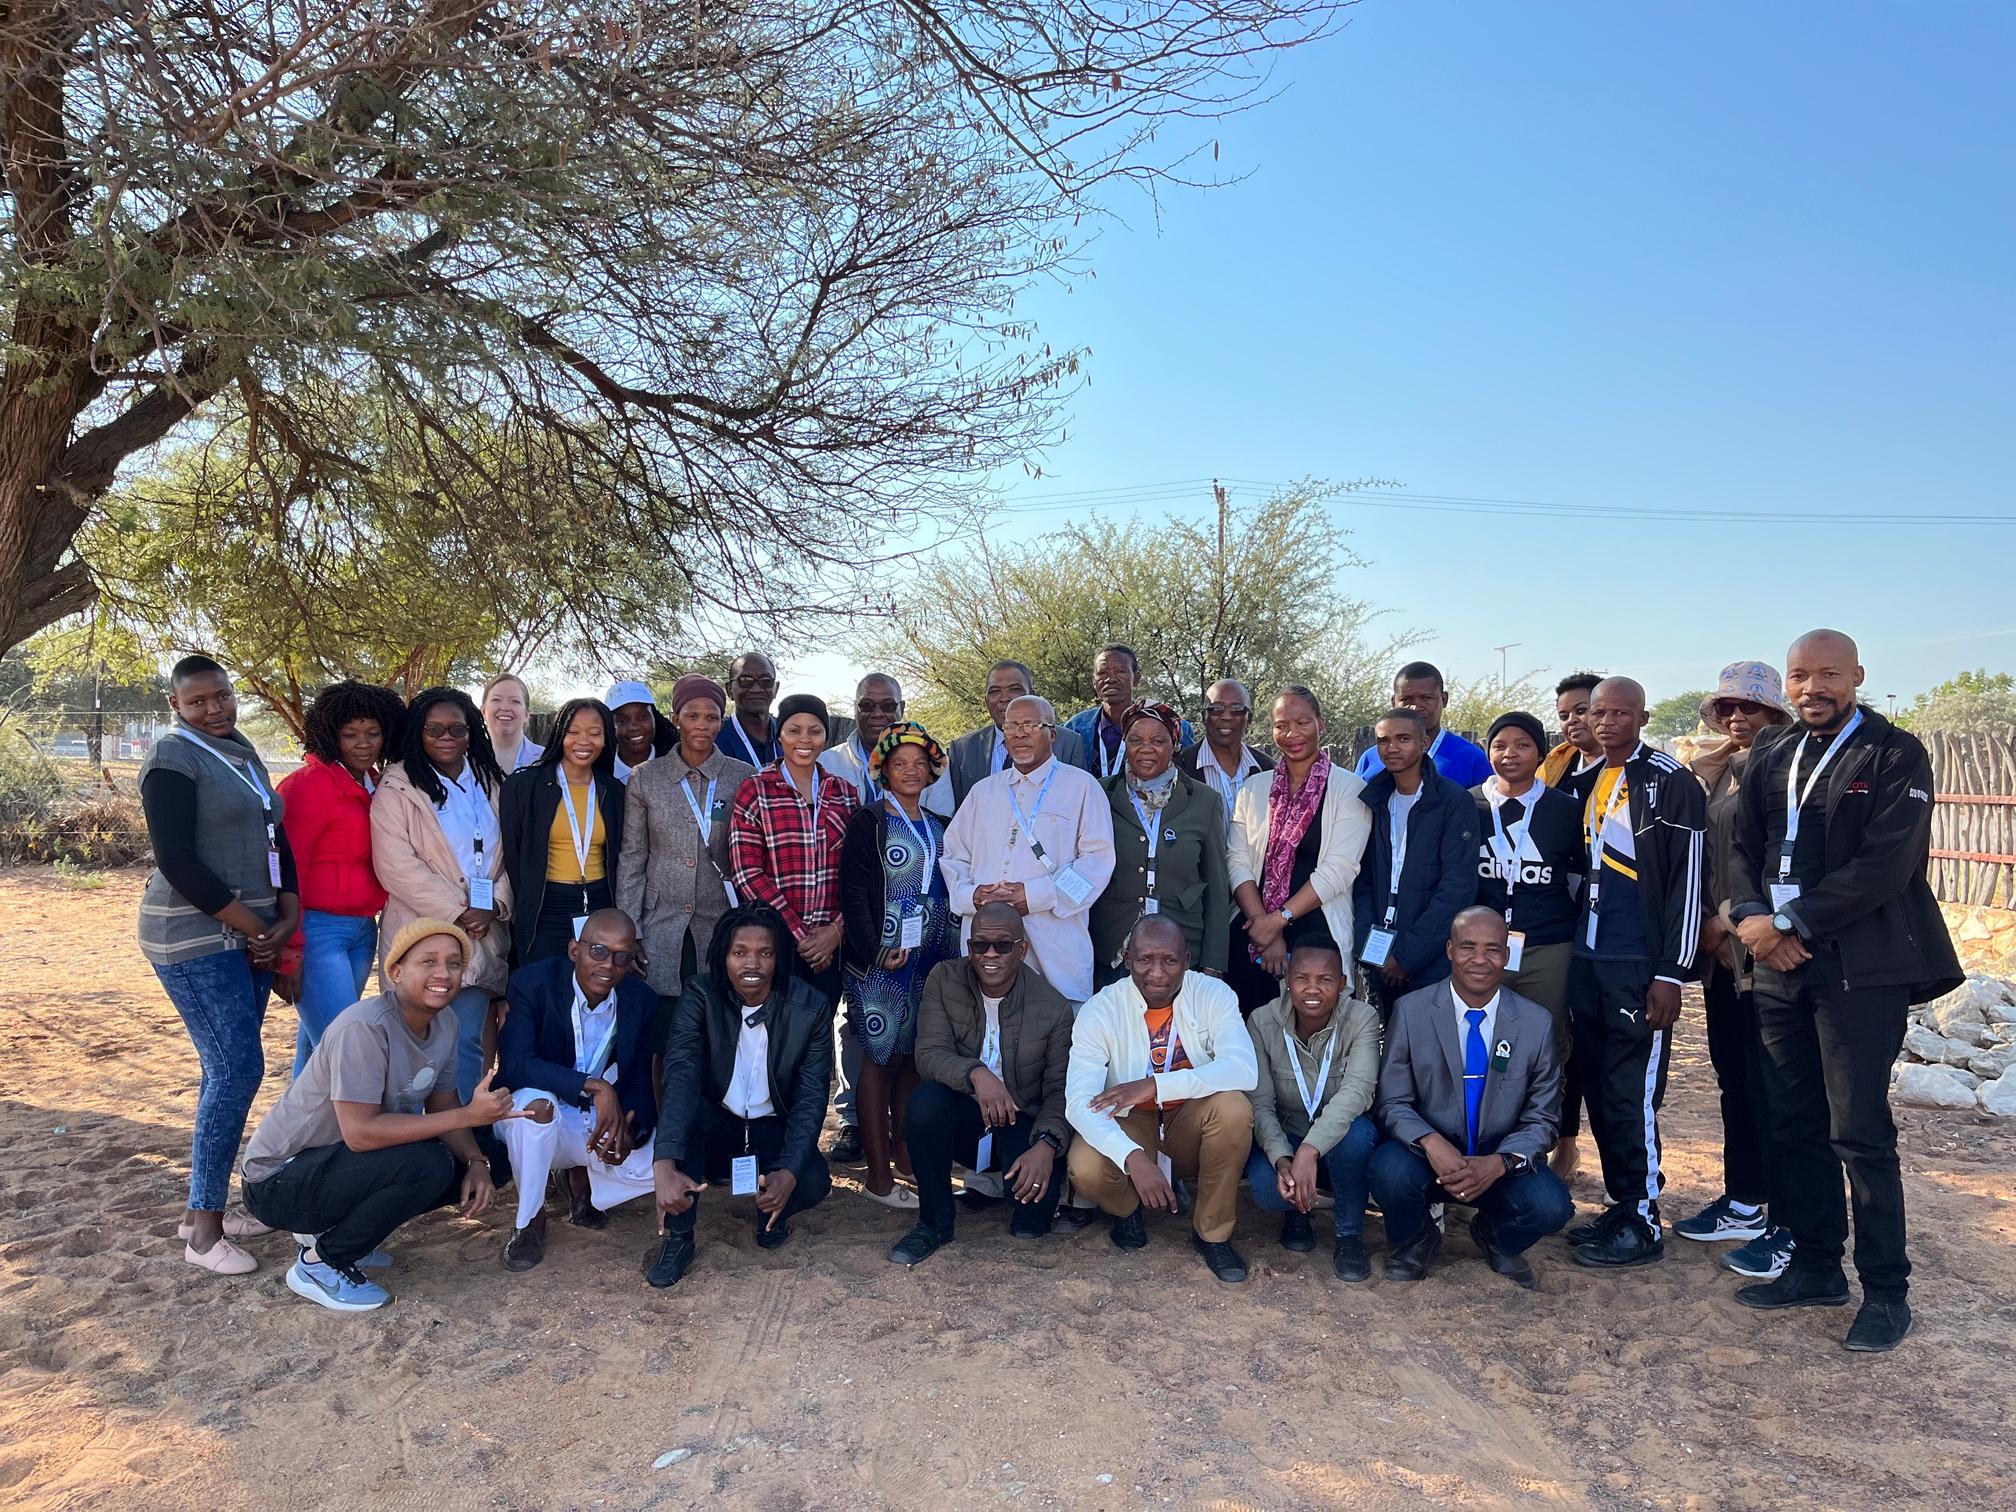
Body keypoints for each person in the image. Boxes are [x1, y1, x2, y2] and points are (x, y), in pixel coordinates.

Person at [1729, 630, 1960, 1353]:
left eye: (1828, 674)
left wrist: (1789, 920)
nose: (1813, 688)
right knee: (1793, 1122)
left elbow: (1887, 864)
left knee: (1858, 1131)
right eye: (1800, 676)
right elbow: (1741, 847)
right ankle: (1817, 1266)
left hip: (1860, 969)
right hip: (1778, 965)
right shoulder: (1774, 750)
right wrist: (1754, 919)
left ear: (1857, 676)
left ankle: (1887, 1293)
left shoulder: (1895, 753)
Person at [240, 919, 519, 1311]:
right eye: (428, 962)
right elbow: (361, 1133)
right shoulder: (365, 1027)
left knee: (496, 1157)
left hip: (342, 1163)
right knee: (428, 1163)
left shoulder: (445, 1022)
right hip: (278, 1182)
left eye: (454, 963)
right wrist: (469, 1117)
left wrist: (476, 1161)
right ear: (396, 972)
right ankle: (321, 1263)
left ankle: (343, 1232)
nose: (443, 973)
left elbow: (443, 1106)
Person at [139, 653, 301, 1274]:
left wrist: (286, 911)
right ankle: (204, 1233)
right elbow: (177, 860)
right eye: (198, 701)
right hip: (196, 937)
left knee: (227, 1070)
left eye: (222, 696)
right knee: (237, 1068)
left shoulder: (241, 752)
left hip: (250, 935)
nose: (214, 709)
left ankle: (199, 1211)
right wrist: (258, 928)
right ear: (176, 706)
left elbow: (274, 836)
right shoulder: (172, 757)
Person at [1561, 676, 1706, 1270]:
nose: (1606, 722)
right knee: (1599, 1088)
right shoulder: (1589, 780)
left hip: (1638, 965)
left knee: (1632, 1092)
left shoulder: (1670, 781)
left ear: (1643, 717)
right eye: (1598, 712)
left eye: (1621, 713)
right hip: (1589, 960)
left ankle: (1643, 1219)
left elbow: (1688, 883)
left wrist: (1672, 973)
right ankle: (1622, 1205)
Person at [1369, 908, 1574, 1288]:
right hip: (1428, 1157)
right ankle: (1417, 1239)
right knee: (1387, 1171)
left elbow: (1543, 1119)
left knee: (1552, 1206)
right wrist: (1431, 1143)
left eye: (1492, 949)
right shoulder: (1411, 1011)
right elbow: (1392, 1101)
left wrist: (1500, 1162)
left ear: (1507, 955)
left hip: (1498, 1163)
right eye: (1468, 947)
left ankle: (1494, 1235)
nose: (1480, 959)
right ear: (1450, 950)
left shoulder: (1536, 1023)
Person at [1674, 662, 1795, 1276]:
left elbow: (1781, 859)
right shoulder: (1721, 772)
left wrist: (1724, 920)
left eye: (1750, 707)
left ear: (1775, 712)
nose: (1737, 717)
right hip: (1723, 957)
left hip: (1769, 950)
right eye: (1727, 708)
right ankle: (1745, 1199)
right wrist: (1708, 925)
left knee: (1778, 1087)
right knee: (1736, 1079)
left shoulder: (1786, 769)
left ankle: (1789, 1218)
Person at [647, 905, 836, 1286]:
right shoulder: (699, 995)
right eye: (740, 952)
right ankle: (679, 1237)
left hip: (770, 1126)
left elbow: (812, 1098)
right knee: (686, 1127)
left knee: (813, 1180)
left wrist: (789, 1172)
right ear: (723, 955)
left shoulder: (811, 1007)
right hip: (717, 1123)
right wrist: (663, 1163)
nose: (753, 963)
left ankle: (772, 1212)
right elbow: (680, 1077)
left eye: (765, 952)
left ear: (779, 958)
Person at [1065, 916, 1258, 1282]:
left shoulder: (1213, 994)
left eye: (1169, 960)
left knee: (1234, 1108)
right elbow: (1079, 1102)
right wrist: (1132, 1157)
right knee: (1085, 1167)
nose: (1157, 972)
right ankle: (1127, 1211)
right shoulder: (1100, 1009)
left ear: (1186, 960)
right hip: (1132, 1120)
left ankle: (1212, 1234)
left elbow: (1244, 1070)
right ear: (1127, 960)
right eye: (1145, 960)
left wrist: (1155, 1085)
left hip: (1190, 1116)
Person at [893, 902, 1076, 1265]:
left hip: (1021, 1122)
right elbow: (928, 1054)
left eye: (1002, 945)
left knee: (1031, 1223)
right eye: (980, 945)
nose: (990, 954)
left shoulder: (1053, 1007)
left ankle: (1019, 1188)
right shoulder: (944, 980)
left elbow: (1060, 1091)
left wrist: (1046, 1145)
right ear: (969, 946)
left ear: (1021, 950)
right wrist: (977, 1075)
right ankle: (934, 1224)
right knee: (925, 1103)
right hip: (965, 1116)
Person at [494, 909, 660, 1270]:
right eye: (598, 951)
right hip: (541, 1112)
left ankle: (583, 1183)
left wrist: (631, 1129)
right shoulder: (532, 983)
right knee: (534, 1108)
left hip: (591, 1121)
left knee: (661, 1164)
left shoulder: (641, 999)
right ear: (574, 950)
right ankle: (529, 1220)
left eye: (622, 956)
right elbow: (516, 1064)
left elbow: (640, 1080)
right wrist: (593, 1086)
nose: (608, 965)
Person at [372, 685, 512, 1102]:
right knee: (415, 1044)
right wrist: (458, 913)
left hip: (482, 935)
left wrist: (493, 904)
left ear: (472, 732)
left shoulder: (491, 781)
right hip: (423, 932)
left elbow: (514, 853)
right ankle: (411, 1132)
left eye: (457, 729)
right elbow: (396, 865)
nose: (446, 737)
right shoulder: (397, 787)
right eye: (434, 730)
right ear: (418, 732)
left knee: (466, 1041)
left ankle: (463, 1131)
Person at [838, 722, 958, 1208]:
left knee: (914, 1059)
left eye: (919, 764)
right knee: (880, 1059)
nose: (911, 771)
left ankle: (908, 1162)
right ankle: (879, 1178)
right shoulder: (869, 821)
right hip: (883, 962)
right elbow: (854, 893)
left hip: (931, 959)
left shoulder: (940, 824)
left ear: (932, 771)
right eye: (899, 763)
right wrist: (874, 950)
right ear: (883, 770)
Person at [941, 694, 1116, 1001]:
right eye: (1011, 726)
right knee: (987, 1025)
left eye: (1031, 725)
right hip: (988, 947)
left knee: (1059, 1026)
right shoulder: (983, 792)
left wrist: (1035, 896)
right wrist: (973, 896)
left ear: (1052, 734)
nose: (1019, 734)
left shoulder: (1082, 787)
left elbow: (1097, 863)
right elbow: (955, 856)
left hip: (1056, 951)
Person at [1471, 709, 1585, 1181]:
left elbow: (1579, 877)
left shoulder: (1564, 809)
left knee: (1546, 1043)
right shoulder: (1469, 805)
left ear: (1540, 752)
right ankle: (1482, 1141)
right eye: (1500, 745)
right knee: (1481, 1041)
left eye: (1522, 745)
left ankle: (1538, 1143)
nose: (1509, 754)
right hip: (1480, 949)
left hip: (1546, 945)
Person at [276, 679, 406, 1074]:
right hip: (316, 932)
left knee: (319, 1052)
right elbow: (288, 870)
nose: (363, 744)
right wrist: (290, 948)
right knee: (344, 1050)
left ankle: (297, 1118)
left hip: (363, 930)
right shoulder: (308, 786)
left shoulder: (377, 784)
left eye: (373, 733)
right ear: (331, 735)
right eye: (350, 734)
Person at [614, 675, 755, 1042]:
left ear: (721, 722)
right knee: (662, 1037)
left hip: (721, 921)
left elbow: (750, 853)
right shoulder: (646, 778)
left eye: (712, 717)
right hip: (660, 924)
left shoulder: (742, 777)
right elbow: (633, 857)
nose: (702, 725)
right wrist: (631, 929)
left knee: (714, 1032)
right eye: (692, 716)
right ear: (675, 718)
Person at [1243, 941, 1381, 1280]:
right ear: (1287, 979)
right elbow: (1260, 1103)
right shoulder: (1261, 1021)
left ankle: (1349, 1234)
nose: (1313, 989)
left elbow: (1358, 1092)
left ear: (1343, 983)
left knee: (1359, 1135)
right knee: (1264, 1187)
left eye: (1325, 979)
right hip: (1288, 1132)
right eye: (1302, 978)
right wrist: (1282, 1158)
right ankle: (1297, 1214)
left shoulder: (1362, 1018)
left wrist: (1310, 1149)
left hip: (1340, 1138)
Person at [1228, 687, 1372, 1005]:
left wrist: (1278, 920)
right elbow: (1237, 859)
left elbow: (1340, 868)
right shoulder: (1253, 787)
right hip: (1252, 930)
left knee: (1312, 1025)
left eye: (1303, 722)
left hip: (1317, 931)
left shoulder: (1349, 789)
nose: (1292, 733)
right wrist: (1264, 928)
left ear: (1321, 724)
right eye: (1281, 725)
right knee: (1249, 1022)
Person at [728, 693, 859, 1012]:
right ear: (780, 735)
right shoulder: (756, 789)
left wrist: (836, 930)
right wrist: (799, 935)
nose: (805, 740)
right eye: (794, 730)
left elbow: (858, 871)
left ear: (825, 736)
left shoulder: (844, 793)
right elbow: (747, 872)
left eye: (815, 731)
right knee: (773, 1031)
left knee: (819, 1031)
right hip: (775, 943)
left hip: (830, 947)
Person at [1089, 701, 1231, 988]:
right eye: (1135, 740)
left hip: (1181, 949)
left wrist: (1214, 963)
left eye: (1158, 741)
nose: (1146, 749)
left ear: (1174, 745)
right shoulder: (1099, 794)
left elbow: (1217, 887)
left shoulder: (1204, 800)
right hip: (1114, 949)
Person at [1352, 707, 1481, 1014]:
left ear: (1424, 742)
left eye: (1403, 739)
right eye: (1383, 740)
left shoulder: (1453, 801)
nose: (1392, 747)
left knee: (1430, 1038)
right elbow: (1364, 878)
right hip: (1380, 953)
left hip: (1431, 957)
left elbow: (1457, 888)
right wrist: (1369, 946)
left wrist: (1407, 957)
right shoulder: (1375, 799)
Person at [500, 698, 628, 965]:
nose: (584, 741)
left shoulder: (614, 791)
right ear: (559, 734)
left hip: (600, 904)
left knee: (596, 983)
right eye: (573, 732)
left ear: (606, 739)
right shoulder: (524, 786)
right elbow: (512, 854)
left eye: (594, 733)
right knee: (545, 983)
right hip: (544, 907)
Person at [1178, 678, 1276, 1012]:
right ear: (1203, 715)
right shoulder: (1180, 767)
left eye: (1236, 709)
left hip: (1254, 904)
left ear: (1249, 717)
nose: (1226, 716)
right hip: (1199, 900)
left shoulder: (1267, 769)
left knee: (1253, 1000)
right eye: (1216, 708)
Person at [929, 659, 1087, 815]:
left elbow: (1079, 807)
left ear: (1032, 695)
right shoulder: (962, 749)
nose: (1004, 698)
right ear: (986, 700)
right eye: (995, 691)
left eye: (1014, 689)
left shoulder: (1068, 743)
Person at [1062, 644, 1194, 781]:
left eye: (1120, 671)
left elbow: (1188, 777)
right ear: (1094, 681)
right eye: (1102, 673)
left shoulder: (1172, 727)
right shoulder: (1076, 728)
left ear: (1136, 679)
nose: (1110, 679)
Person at [1352, 662, 1492, 787]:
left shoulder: (1472, 759)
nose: (1416, 707)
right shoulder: (1371, 758)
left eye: (1426, 698)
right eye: (1406, 699)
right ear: (1394, 703)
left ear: (1444, 699)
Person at [819, 672, 906, 803]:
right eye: (867, 705)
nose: (877, 714)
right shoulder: (824, 765)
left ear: (902, 709)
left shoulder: (928, 765)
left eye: (888, 706)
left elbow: (938, 814)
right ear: (855, 708)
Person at [1540, 671, 1605, 801]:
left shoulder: (1633, 767)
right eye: (1564, 716)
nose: (1571, 720)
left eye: (1581, 710)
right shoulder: (1553, 765)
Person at [717, 652, 781, 769]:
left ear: (776, 689)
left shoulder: (791, 735)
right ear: (729, 689)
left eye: (766, 680)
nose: (756, 689)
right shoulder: (715, 739)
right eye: (745, 680)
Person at [605, 679, 677, 781]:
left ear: (654, 717)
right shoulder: (599, 773)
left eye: (642, 717)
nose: (634, 727)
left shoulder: (676, 766)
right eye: (622, 721)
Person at [482, 673, 544, 773]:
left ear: (527, 714)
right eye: (496, 699)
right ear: (483, 711)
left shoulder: (546, 760)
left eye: (515, 701)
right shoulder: (466, 759)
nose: (505, 707)